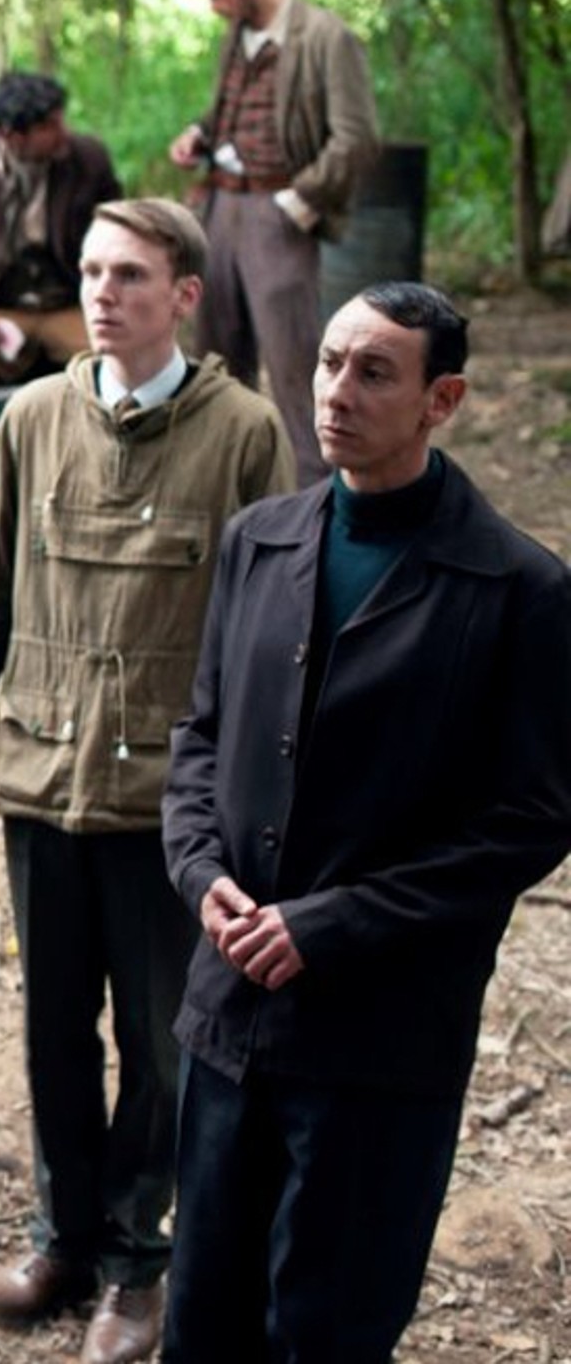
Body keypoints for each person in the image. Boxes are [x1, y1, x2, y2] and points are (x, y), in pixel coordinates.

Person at [161, 282, 571, 1358]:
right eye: (330, 361)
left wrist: (331, 923)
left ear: (444, 400)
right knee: (201, 1315)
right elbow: (199, 740)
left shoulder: (519, 588)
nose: (335, 391)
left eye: (373, 372)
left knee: (327, 1330)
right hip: (226, 1015)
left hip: (378, 1038)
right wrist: (199, 869)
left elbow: (529, 821)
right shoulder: (258, 541)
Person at [0, 198, 290, 1364]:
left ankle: (140, 1265)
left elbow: (270, 631)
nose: (100, 293)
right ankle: (62, 1237)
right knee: (50, 1032)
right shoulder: (30, 417)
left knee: (160, 1042)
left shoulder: (241, 431)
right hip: (41, 779)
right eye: (89, 271)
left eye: (129, 274)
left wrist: (249, 807)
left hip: (165, 810)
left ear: (183, 294)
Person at [169, 0, 379, 485]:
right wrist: (201, 133)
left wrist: (299, 200)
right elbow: (232, 112)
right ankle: (225, 486)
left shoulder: (326, 37)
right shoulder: (235, 34)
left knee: (293, 364)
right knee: (216, 356)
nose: (214, 6)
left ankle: (314, 497)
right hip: (220, 206)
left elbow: (357, 139)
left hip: (278, 211)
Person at [0, 71, 126, 389]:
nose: (63, 133)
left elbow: (118, 235)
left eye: (61, 120)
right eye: (49, 126)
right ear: (11, 135)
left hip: (68, 302)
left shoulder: (89, 159)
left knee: (112, 367)